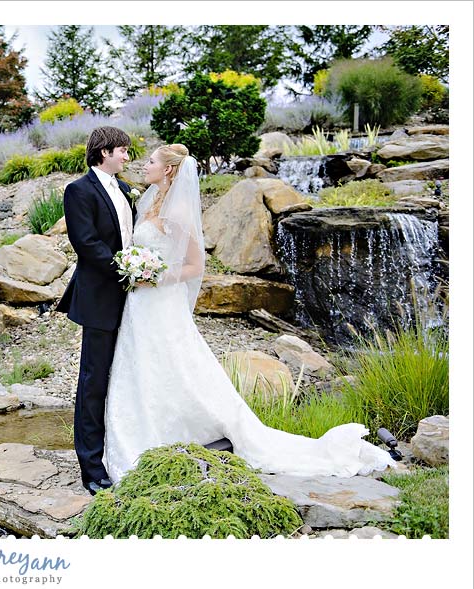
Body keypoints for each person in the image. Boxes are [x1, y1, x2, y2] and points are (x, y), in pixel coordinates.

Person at [102, 143, 396, 483]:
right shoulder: (147, 201)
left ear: (168, 170)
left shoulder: (179, 210)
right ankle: (141, 429)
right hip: (140, 303)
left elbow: (195, 265)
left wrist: (155, 275)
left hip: (160, 299)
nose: (145, 165)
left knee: (171, 363)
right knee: (144, 366)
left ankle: (176, 432)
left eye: (151, 161)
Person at [56, 126, 136, 495]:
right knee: (93, 383)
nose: (126, 157)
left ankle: (126, 452)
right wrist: (128, 269)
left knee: (125, 378)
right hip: (100, 297)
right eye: (122, 151)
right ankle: (91, 468)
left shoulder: (123, 190)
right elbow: (85, 243)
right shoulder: (79, 191)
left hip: (133, 299)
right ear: (103, 152)